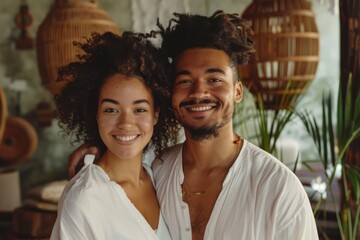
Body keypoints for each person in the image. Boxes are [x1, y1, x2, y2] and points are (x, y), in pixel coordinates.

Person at [68, 11, 319, 240]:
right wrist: (100, 145)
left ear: (238, 92)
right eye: (185, 81)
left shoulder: (278, 190)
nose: (199, 92)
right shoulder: (159, 171)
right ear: (170, 94)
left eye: (214, 79)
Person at [50, 31, 178, 240]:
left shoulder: (161, 175)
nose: (126, 124)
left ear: (156, 115)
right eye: (111, 110)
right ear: (96, 114)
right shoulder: (85, 200)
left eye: (139, 110)